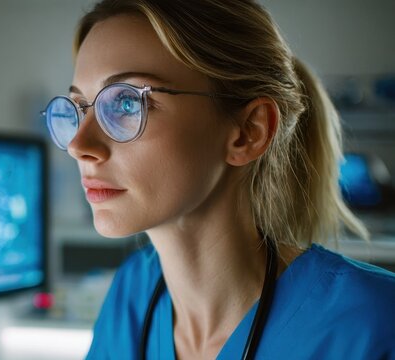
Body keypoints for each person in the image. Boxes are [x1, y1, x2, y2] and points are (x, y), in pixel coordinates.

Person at [42, 0, 395, 358]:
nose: (78, 145)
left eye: (127, 103)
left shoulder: (374, 324)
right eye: (79, 107)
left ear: (248, 132)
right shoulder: (133, 290)